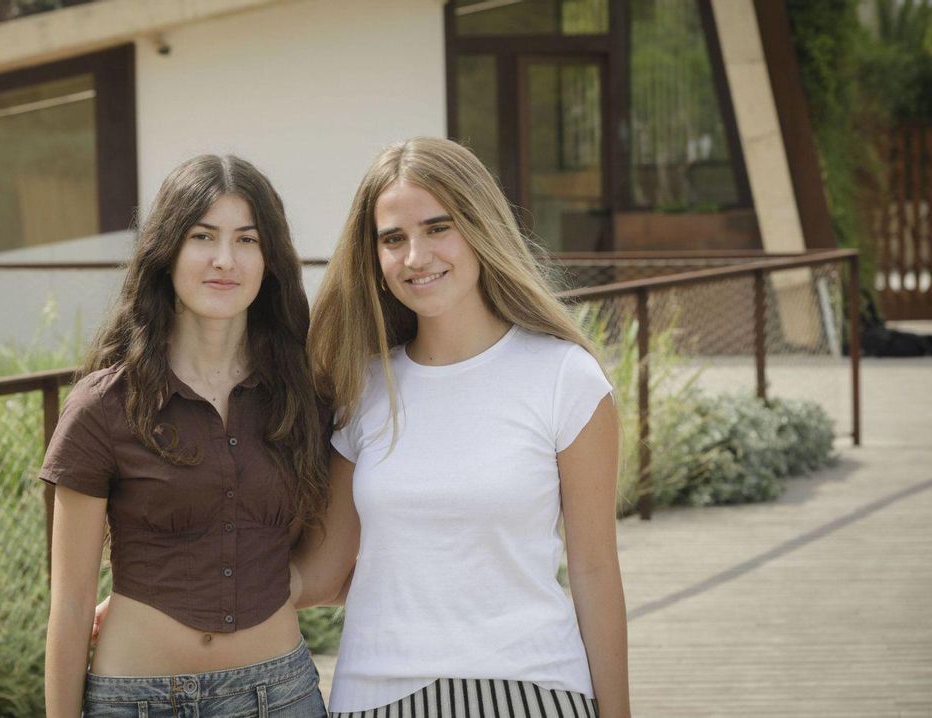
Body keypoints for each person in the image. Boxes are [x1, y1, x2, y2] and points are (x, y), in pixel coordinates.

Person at [293, 137, 631, 718]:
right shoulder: (363, 387)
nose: (415, 256)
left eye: (437, 228)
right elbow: (320, 575)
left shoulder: (563, 378)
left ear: (480, 229)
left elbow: (594, 569)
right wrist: (167, 598)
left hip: (533, 691)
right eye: (393, 239)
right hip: (378, 695)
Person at [41, 154, 330, 718]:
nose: (225, 260)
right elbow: (71, 604)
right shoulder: (103, 405)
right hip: (136, 699)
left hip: (281, 695)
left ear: (269, 259)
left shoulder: (306, 396)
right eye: (203, 236)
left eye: (247, 240)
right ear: (167, 251)